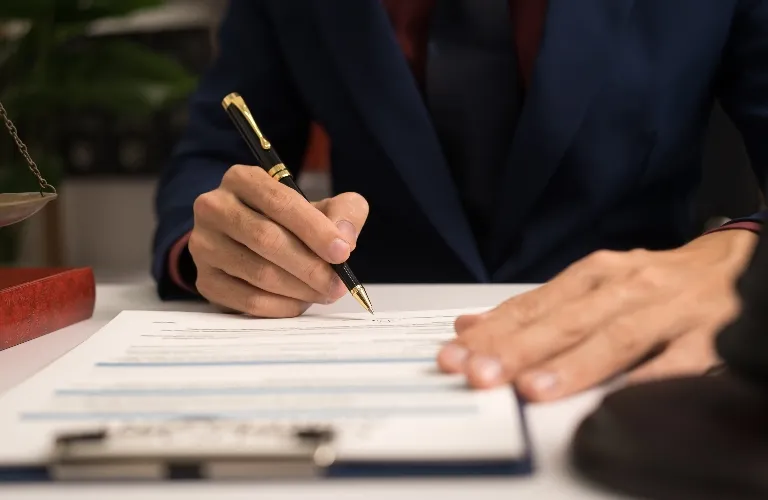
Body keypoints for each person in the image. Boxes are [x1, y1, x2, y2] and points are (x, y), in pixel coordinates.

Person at [153, 0, 768, 403]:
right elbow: (213, 153)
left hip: (644, 367)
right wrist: (221, 238)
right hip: (365, 364)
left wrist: (747, 256)